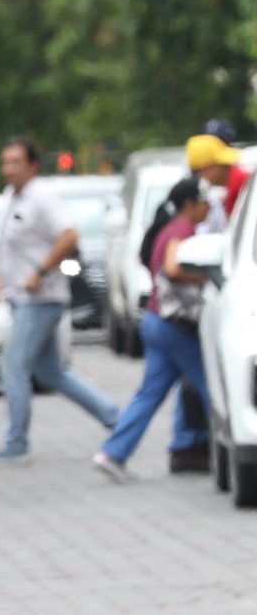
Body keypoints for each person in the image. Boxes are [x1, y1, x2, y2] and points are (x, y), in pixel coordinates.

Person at [0, 136, 119, 467]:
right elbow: (9, 246)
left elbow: (69, 235)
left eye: (16, 162)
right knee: (52, 373)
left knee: (13, 368)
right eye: (5, 162)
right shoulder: (10, 197)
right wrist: (2, 280)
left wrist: (41, 271)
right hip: (21, 297)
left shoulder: (41, 197)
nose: (9, 169)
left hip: (41, 298)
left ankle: (16, 443)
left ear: (33, 165)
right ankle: (115, 418)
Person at [93, 177, 212, 481]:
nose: (208, 208)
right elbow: (172, 268)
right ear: (189, 204)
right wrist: (205, 278)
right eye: (204, 202)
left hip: (155, 320)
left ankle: (112, 453)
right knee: (213, 389)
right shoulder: (182, 229)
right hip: (175, 327)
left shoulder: (166, 228)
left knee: (149, 393)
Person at [165, 133, 245, 472]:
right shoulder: (188, 221)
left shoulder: (239, 184)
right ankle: (190, 444)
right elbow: (173, 266)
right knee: (197, 381)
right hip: (179, 313)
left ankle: (186, 444)